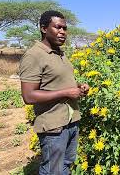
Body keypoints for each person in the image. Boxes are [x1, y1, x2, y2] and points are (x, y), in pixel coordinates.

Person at [19, 10, 89, 175]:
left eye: (65, 28)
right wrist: (66, 93)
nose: (63, 32)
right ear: (44, 28)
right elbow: (28, 96)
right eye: (58, 27)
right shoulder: (34, 56)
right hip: (53, 126)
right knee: (53, 171)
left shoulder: (60, 54)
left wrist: (78, 86)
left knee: (65, 165)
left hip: (71, 121)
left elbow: (58, 81)